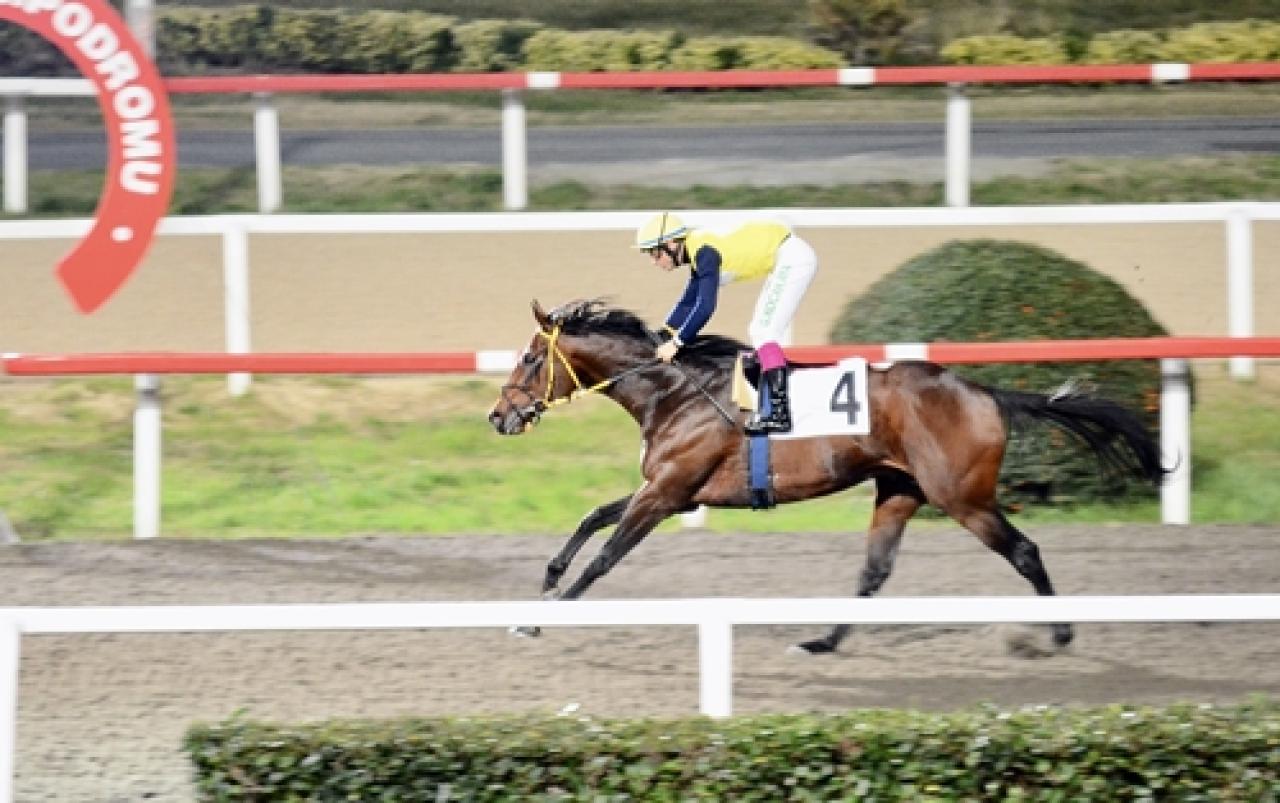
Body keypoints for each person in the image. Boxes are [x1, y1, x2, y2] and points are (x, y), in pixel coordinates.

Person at [634, 211, 818, 434]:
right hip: (787, 256)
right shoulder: (696, 251)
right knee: (759, 329)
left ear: (672, 244)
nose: (655, 262)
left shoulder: (704, 253)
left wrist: (677, 343)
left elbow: (705, 307)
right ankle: (770, 398)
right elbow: (687, 302)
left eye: (655, 253)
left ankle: (780, 413)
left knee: (763, 330)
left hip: (793, 259)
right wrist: (663, 334)